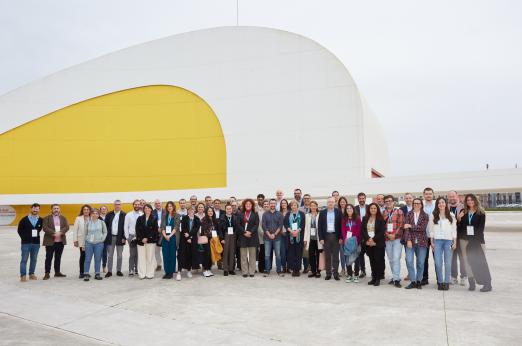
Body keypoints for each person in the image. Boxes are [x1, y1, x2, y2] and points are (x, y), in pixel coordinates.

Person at [457, 194, 492, 292]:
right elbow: (459, 228)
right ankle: (471, 283)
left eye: (471, 200)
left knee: (480, 262)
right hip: (464, 241)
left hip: (477, 241)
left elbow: (480, 229)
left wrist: (473, 241)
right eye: (468, 200)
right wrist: (459, 219)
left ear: (475, 201)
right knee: (467, 263)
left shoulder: (481, 213)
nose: (469, 202)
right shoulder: (463, 212)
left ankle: (487, 283)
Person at [428, 197, 457, 291]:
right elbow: (431, 230)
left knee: (448, 263)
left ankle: (446, 282)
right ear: (437, 205)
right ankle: (440, 282)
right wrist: (432, 242)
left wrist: (454, 242)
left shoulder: (451, 215)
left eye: (443, 202)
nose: (441, 204)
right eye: (439, 203)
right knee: (438, 263)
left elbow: (454, 230)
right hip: (437, 241)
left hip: (448, 241)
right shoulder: (433, 216)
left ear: (445, 203)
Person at [403, 198, 429, 289]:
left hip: (422, 242)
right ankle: (413, 281)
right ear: (413, 204)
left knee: (421, 263)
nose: (416, 204)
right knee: (409, 261)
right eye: (415, 203)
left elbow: (422, 228)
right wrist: (409, 240)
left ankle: (419, 281)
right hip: (410, 242)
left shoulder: (425, 215)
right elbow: (406, 229)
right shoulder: (408, 214)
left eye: (418, 203)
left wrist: (410, 226)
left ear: (421, 205)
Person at [42, 204, 69, 280]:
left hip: (60, 241)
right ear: (51, 210)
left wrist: (60, 232)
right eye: (54, 208)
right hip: (50, 241)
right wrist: (54, 233)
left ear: (59, 209)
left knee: (58, 257)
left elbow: (67, 227)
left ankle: (57, 272)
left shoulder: (63, 218)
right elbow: (45, 228)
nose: (56, 209)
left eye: (57, 208)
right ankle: (47, 273)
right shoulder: (46, 218)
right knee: (48, 257)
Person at [382, 195, 405, 288]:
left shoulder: (399, 211)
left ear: (393, 202)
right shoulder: (382, 213)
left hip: (397, 238)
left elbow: (401, 224)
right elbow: (381, 226)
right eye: (386, 201)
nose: (388, 202)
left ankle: (396, 279)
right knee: (391, 259)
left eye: (390, 200)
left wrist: (394, 235)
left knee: (396, 258)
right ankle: (394, 276)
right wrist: (388, 234)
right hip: (387, 239)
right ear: (384, 202)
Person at [361, 203, 386, 286]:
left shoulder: (380, 218)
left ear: (377, 209)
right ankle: (374, 277)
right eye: (371, 208)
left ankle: (378, 278)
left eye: (375, 208)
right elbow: (363, 230)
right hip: (368, 243)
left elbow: (381, 231)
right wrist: (368, 239)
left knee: (378, 261)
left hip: (377, 243)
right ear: (369, 209)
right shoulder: (365, 218)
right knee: (372, 261)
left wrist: (373, 239)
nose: (373, 210)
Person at [318, 197, 343, 281]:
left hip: (336, 236)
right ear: (327, 203)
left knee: (336, 256)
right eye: (329, 202)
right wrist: (321, 238)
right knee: (327, 256)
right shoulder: (322, 212)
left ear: (334, 203)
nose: (330, 203)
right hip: (326, 237)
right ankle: (328, 273)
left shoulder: (339, 212)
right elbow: (319, 226)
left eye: (332, 202)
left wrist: (341, 237)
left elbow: (341, 226)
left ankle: (336, 273)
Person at [17, 203, 43, 282]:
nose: (35, 210)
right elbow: (19, 230)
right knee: (24, 260)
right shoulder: (24, 219)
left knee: (34, 259)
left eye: (37, 208)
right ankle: (23, 275)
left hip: (36, 243)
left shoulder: (41, 220)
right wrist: (24, 238)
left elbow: (40, 229)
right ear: (31, 209)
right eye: (34, 208)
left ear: (39, 210)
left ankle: (31, 274)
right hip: (26, 243)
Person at [83, 208, 108, 281]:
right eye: (93, 213)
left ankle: (97, 273)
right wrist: (84, 244)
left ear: (98, 214)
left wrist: (102, 239)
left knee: (98, 259)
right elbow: (85, 234)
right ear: (91, 214)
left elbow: (105, 232)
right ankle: (86, 274)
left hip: (99, 244)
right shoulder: (87, 223)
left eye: (96, 213)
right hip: (89, 243)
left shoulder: (101, 222)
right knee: (87, 259)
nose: (95, 214)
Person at [135, 204, 159, 279]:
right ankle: (142, 274)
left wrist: (147, 238)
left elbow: (155, 231)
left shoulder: (154, 218)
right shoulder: (139, 218)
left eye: (148, 208)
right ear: (143, 210)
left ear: (151, 209)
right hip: (141, 241)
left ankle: (150, 273)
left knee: (150, 257)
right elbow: (137, 229)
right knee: (141, 258)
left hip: (150, 241)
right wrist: (142, 238)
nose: (147, 209)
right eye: (145, 208)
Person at [448, 190, 466, 285]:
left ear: (457, 196)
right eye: (450, 196)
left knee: (463, 257)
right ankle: (453, 276)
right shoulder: (445, 207)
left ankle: (463, 276)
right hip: (450, 237)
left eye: (453, 196)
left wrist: (459, 220)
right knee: (452, 258)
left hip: (461, 236)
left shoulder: (464, 207)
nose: (452, 198)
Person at [262, 199, 284, 276]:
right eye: (271, 203)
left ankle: (279, 270)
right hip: (267, 238)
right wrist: (269, 234)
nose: (272, 205)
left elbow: (280, 226)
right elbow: (264, 226)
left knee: (278, 255)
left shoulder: (280, 214)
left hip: (277, 238)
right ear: (269, 204)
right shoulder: (265, 214)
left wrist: (274, 234)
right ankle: (267, 270)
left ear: (275, 205)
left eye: (274, 203)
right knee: (267, 255)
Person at [104, 200, 126, 278]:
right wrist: (105, 236)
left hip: (120, 238)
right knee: (110, 255)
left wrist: (124, 237)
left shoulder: (124, 215)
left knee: (119, 255)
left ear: (121, 205)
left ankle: (118, 270)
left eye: (119, 204)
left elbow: (125, 227)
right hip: (110, 237)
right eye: (116, 204)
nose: (117, 206)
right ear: (114, 205)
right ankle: (109, 271)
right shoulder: (109, 214)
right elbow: (105, 226)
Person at [284, 200, 306, 276]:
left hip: (299, 236)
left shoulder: (302, 214)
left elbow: (303, 224)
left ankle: (298, 269)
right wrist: (291, 231)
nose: (293, 207)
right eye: (292, 205)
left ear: (297, 206)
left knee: (299, 253)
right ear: (290, 207)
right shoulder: (287, 214)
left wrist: (297, 231)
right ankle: (293, 269)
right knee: (291, 253)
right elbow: (286, 224)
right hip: (290, 236)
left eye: (295, 205)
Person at [238, 199, 259, 277]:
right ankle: (244, 272)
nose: (248, 205)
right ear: (244, 205)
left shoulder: (255, 214)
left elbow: (256, 224)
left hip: (252, 236)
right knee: (243, 255)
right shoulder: (240, 214)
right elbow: (238, 225)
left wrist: (250, 232)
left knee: (252, 255)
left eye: (249, 204)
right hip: (243, 236)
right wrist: (244, 232)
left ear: (252, 205)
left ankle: (252, 271)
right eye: (246, 204)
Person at [177, 207, 200, 280]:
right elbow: (183, 228)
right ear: (188, 211)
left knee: (190, 255)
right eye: (189, 210)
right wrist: (187, 238)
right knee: (182, 255)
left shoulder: (197, 219)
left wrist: (190, 236)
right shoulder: (184, 218)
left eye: (192, 210)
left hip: (193, 240)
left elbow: (196, 229)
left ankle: (189, 270)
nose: (191, 211)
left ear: (194, 211)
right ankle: (179, 272)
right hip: (184, 239)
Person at [341, 204, 361, 283]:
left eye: (350, 208)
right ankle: (349, 275)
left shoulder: (357, 218)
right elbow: (343, 230)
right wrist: (345, 238)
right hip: (347, 242)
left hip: (356, 241)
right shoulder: (344, 219)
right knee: (347, 259)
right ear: (346, 210)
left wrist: (355, 239)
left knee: (356, 259)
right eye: (347, 208)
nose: (349, 209)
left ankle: (356, 275)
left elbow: (359, 230)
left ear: (353, 209)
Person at [160, 201, 179, 279]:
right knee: (165, 255)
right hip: (165, 238)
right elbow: (162, 227)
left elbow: (176, 227)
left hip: (173, 237)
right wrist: (165, 236)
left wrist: (170, 236)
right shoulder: (164, 215)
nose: (169, 207)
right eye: (168, 206)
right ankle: (166, 271)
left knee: (172, 255)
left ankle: (171, 272)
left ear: (173, 207)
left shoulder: (177, 215)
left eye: (171, 206)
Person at [72, 205, 92, 279]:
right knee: (83, 256)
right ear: (82, 211)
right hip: (81, 240)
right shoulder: (78, 218)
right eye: (84, 209)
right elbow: (75, 230)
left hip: (90, 240)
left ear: (90, 210)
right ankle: (81, 272)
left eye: (87, 209)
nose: (86, 211)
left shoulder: (92, 218)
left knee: (88, 257)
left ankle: (86, 272)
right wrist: (75, 240)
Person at [422, 187, 436, 285]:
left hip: (436, 236)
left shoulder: (438, 204)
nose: (428, 195)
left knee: (437, 258)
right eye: (426, 194)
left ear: (433, 194)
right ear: (424, 195)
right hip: (424, 236)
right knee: (424, 258)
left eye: (430, 193)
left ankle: (439, 279)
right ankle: (424, 278)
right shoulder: (420, 205)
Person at [304, 201, 322, 278]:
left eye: (314, 205)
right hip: (310, 238)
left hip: (318, 238)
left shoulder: (320, 215)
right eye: (311, 206)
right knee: (311, 255)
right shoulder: (307, 215)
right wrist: (305, 239)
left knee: (318, 255)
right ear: (310, 207)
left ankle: (318, 271)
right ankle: (313, 271)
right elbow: (305, 228)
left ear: (317, 206)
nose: (313, 207)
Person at [124, 199, 142, 276]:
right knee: (132, 254)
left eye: (138, 204)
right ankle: (131, 269)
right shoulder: (128, 214)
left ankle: (137, 269)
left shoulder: (142, 214)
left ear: (140, 205)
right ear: (133, 205)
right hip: (131, 236)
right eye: (135, 204)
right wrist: (128, 237)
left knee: (138, 254)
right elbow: (125, 227)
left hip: (140, 236)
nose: (137, 206)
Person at [199, 207, 218, 277]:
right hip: (206, 240)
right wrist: (210, 235)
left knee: (211, 255)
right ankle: (205, 269)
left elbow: (216, 229)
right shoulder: (203, 220)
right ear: (206, 212)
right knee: (206, 254)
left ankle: (209, 268)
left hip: (213, 240)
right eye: (209, 211)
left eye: (211, 211)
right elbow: (203, 231)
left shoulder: (214, 220)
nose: (210, 212)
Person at [355, 192, 369, 278]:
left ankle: (374, 271)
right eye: (360, 198)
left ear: (365, 199)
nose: (361, 200)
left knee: (371, 254)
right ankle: (362, 271)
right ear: (358, 199)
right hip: (358, 234)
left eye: (363, 198)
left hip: (369, 234)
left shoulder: (369, 208)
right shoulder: (355, 208)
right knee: (360, 254)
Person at [400, 193, 414, 281]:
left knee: (420, 257)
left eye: (410, 198)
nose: (408, 199)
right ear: (405, 199)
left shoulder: (418, 206)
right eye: (407, 198)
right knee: (408, 257)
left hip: (418, 235)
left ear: (412, 198)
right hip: (407, 235)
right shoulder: (402, 209)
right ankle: (410, 273)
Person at [221, 204, 237, 276]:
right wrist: (222, 238)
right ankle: (225, 269)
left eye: (230, 209)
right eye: (227, 209)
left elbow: (237, 227)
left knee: (232, 252)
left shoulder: (235, 217)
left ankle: (231, 269)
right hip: (225, 235)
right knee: (225, 253)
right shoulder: (222, 217)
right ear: (225, 210)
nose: (229, 210)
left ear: (232, 209)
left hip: (233, 235)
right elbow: (220, 229)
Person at [152, 199, 164, 272]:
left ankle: (167, 263)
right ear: (154, 205)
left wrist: (162, 229)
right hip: (156, 234)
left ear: (161, 204)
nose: (157, 205)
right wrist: (157, 229)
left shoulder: (166, 211)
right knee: (157, 251)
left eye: (159, 203)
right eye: (156, 203)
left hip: (165, 233)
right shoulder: (152, 212)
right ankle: (159, 264)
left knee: (165, 250)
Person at [338, 197, 348, 277]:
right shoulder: (337, 211)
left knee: (348, 253)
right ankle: (343, 269)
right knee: (342, 253)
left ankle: (349, 269)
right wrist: (340, 237)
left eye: (344, 202)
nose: (342, 203)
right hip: (340, 236)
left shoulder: (349, 210)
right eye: (341, 202)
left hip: (349, 236)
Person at [257, 200, 269, 274]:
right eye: (265, 204)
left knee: (268, 253)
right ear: (262, 205)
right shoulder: (259, 213)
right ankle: (261, 268)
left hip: (270, 236)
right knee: (262, 252)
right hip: (262, 236)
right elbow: (259, 225)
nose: (266, 205)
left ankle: (268, 267)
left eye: (267, 204)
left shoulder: (270, 213)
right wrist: (264, 233)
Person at [279, 199, 290, 273]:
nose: (283, 204)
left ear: (287, 204)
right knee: (282, 252)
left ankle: (289, 267)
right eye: (282, 203)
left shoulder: (290, 213)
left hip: (289, 234)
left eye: (285, 203)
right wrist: (280, 231)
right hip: (280, 235)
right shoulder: (278, 213)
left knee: (289, 252)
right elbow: (277, 224)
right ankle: (284, 267)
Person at [99, 205, 109, 273]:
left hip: (106, 238)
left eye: (105, 209)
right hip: (98, 238)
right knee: (98, 254)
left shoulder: (109, 217)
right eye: (102, 209)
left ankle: (104, 266)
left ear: (107, 210)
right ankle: (97, 267)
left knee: (104, 253)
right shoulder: (97, 217)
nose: (104, 210)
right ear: (100, 210)